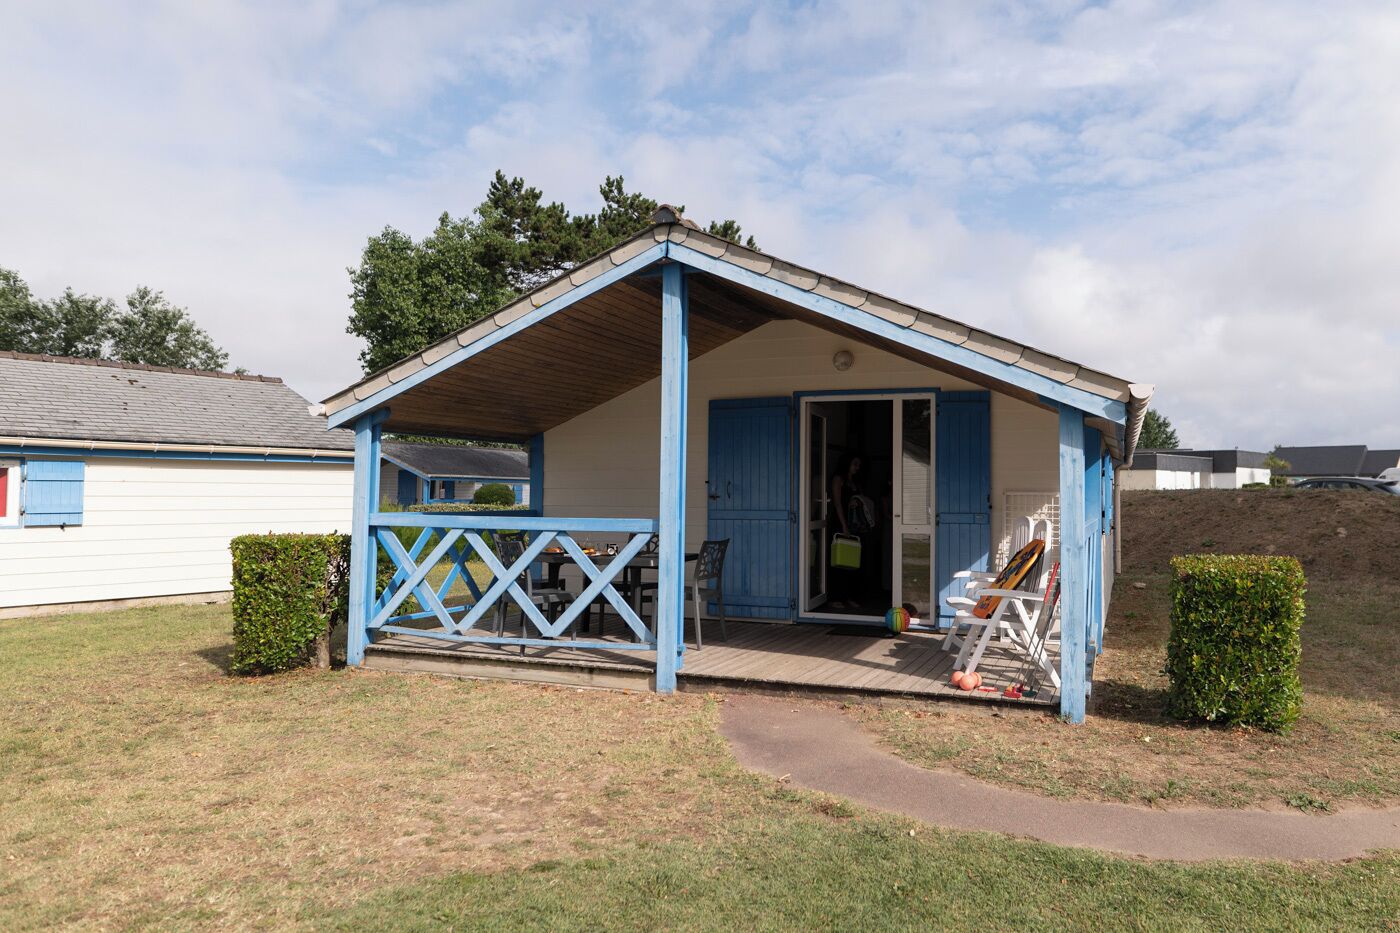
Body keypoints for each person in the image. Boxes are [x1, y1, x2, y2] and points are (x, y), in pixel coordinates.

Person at [828, 450, 866, 611]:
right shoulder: (838, 479)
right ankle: (835, 597)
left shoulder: (854, 481)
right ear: (847, 463)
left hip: (854, 523)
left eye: (859, 465)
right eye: (855, 464)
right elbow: (837, 503)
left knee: (852, 561)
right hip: (840, 522)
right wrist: (843, 525)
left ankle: (848, 596)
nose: (857, 467)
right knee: (839, 561)